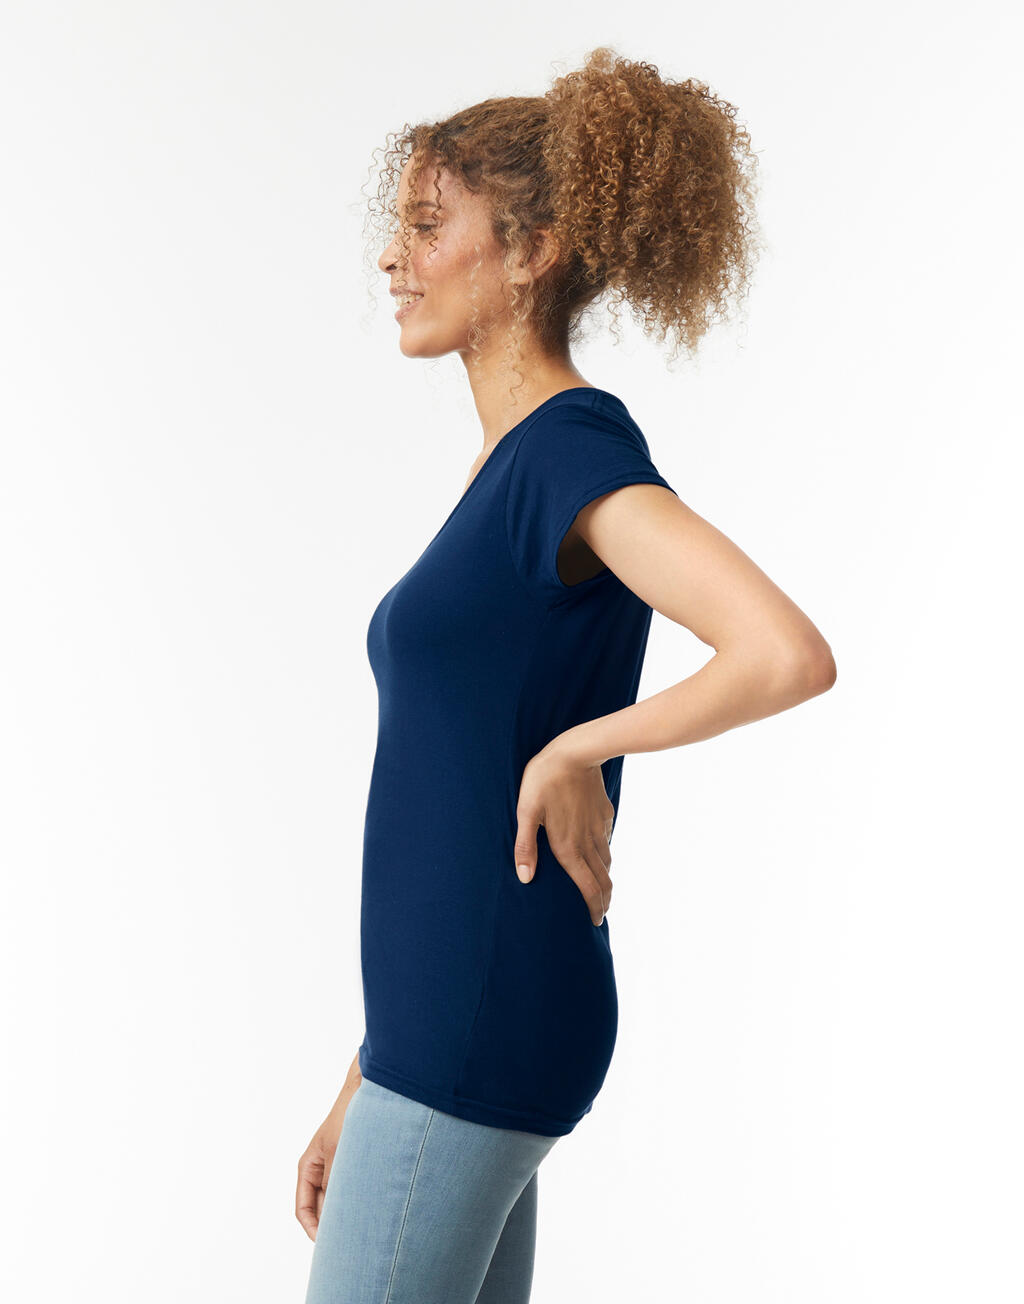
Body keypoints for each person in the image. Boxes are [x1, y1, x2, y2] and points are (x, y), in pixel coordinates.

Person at [297, 46, 837, 1304]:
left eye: (427, 227)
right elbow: (448, 799)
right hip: (441, 1025)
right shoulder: (513, 473)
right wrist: (365, 1076)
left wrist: (580, 745)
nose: (393, 258)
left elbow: (783, 650)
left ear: (529, 252)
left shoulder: (565, 455)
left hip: (475, 1020)